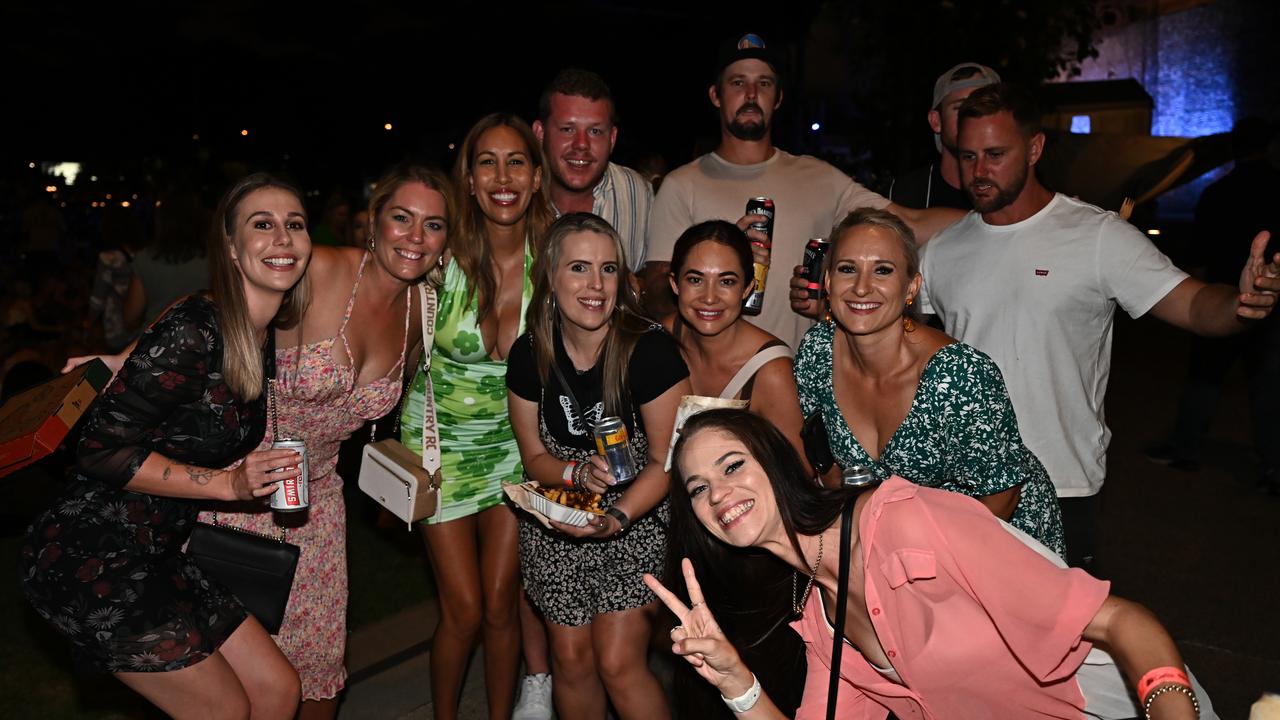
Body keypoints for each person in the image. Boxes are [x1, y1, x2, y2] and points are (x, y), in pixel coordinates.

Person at [914, 83, 1280, 567]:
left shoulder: (1098, 236)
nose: (979, 172)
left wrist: (1240, 303)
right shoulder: (943, 250)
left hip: (1062, 481)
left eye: (996, 154)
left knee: (1059, 638)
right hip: (966, 485)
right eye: (968, 156)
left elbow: (1193, 305)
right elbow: (909, 351)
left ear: (1035, 148)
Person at [647, 409, 1216, 720]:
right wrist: (735, 680)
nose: (718, 494)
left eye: (731, 466)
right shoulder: (817, 620)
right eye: (697, 488)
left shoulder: (904, 521)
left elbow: (1121, 621)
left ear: (775, 463)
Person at [18, 173, 310, 719]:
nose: (283, 238)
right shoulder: (198, 325)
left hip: (154, 550)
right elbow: (98, 450)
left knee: (277, 690)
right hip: (92, 550)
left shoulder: (255, 332)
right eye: (262, 225)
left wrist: (110, 364)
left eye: (295, 224)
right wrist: (226, 483)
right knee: (224, 710)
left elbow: (145, 360)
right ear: (230, 247)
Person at [205, 165, 450, 718]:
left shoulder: (424, 311)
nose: (415, 236)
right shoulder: (318, 269)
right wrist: (125, 359)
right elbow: (209, 314)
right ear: (373, 222)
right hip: (234, 492)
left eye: (433, 225)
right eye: (401, 218)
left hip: (315, 507)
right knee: (240, 687)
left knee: (318, 678)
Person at [643, 32, 962, 348]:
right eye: (738, 83)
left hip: (798, 380)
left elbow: (910, 224)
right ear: (716, 95)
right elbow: (656, 297)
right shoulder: (681, 185)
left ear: (778, 98)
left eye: (764, 83)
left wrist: (1002, 217)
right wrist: (721, 257)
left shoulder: (821, 178)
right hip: (707, 382)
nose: (752, 94)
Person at [399, 113, 554, 720]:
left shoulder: (556, 259)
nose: (502, 176)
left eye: (516, 161)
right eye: (486, 162)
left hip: (517, 445)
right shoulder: (439, 259)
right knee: (461, 609)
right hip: (439, 449)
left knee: (499, 603)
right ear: (467, 178)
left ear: (537, 177)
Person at [794, 208, 1064, 556]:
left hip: (993, 541)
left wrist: (928, 566)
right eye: (848, 269)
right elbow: (825, 460)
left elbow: (1002, 496)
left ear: (911, 287)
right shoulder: (817, 352)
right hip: (894, 545)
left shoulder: (958, 375)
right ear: (828, 283)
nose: (862, 287)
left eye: (883, 270)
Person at [506, 212, 688, 720]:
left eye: (609, 270)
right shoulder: (530, 353)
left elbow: (668, 462)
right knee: (570, 660)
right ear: (550, 278)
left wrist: (617, 518)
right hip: (558, 520)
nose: (595, 285)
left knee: (616, 661)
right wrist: (575, 474)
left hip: (637, 518)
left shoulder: (649, 351)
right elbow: (534, 458)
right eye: (580, 268)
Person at [1146, 118, 1280, 493]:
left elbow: (1200, 254)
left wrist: (1198, 293)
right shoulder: (1274, 187)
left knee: (1206, 376)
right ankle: (1273, 468)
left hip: (1222, 299)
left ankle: (1185, 448)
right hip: (1266, 303)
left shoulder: (1219, 192)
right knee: (1268, 385)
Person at [663, 219, 805, 464]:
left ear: (748, 288)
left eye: (726, 281)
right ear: (675, 284)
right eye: (695, 280)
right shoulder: (661, 339)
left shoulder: (771, 371)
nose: (709, 297)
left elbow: (798, 472)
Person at [533, 68, 653, 272]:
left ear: (612, 138)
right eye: (567, 129)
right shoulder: (517, 196)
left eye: (595, 131)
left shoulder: (638, 193)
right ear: (540, 133)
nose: (581, 144)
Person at [887, 62, 1000, 211]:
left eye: (984, 107)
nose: (973, 118)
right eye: (960, 108)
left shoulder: (1013, 190)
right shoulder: (909, 194)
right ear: (936, 121)